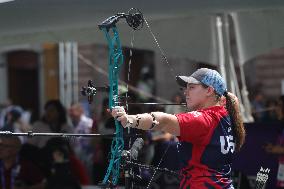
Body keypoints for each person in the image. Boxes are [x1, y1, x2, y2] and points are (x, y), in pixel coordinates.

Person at [110, 68, 246, 189]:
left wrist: (129, 119)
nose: (186, 92)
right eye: (186, 88)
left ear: (209, 90)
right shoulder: (225, 115)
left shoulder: (203, 119)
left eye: (192, 87)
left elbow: (163, 121)